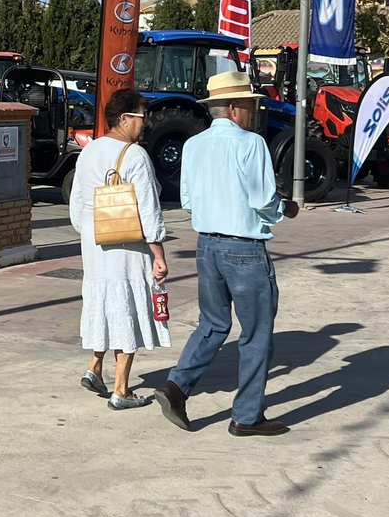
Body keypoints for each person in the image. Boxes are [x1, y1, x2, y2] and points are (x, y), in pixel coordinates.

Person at [155, 70, 300, 438]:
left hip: (207, 244)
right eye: (250, 105)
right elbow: (263, 199)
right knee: (256, 333)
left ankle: (177, 385)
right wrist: (284, 210)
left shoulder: (194, 145)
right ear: (235, 108)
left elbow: (186, 199)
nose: (252, 112)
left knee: (213, 323)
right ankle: (247, 415)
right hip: (244, 248)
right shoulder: (251, 144)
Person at [70, 88, 169, 409]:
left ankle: (94, 367)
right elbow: (148, 209)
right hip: (128, 244)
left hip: (95, 243)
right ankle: (122, 389)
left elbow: (77, 203)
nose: (146, 124)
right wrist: (158, 253)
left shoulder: (89, 151)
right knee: (127, 306)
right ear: (125, 119)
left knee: (103, 304)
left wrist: (89, 231)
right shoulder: (135, 155)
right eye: (143, 117)